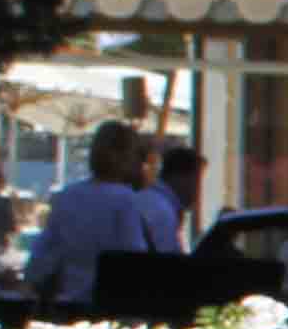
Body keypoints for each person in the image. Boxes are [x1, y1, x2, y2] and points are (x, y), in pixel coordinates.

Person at [23, 122, 180, 302]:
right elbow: (134, 260)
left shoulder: (67, 196)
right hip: (109, 305)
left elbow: (41, 260)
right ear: (127, 158)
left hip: (69, 304)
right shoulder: (125, 200)